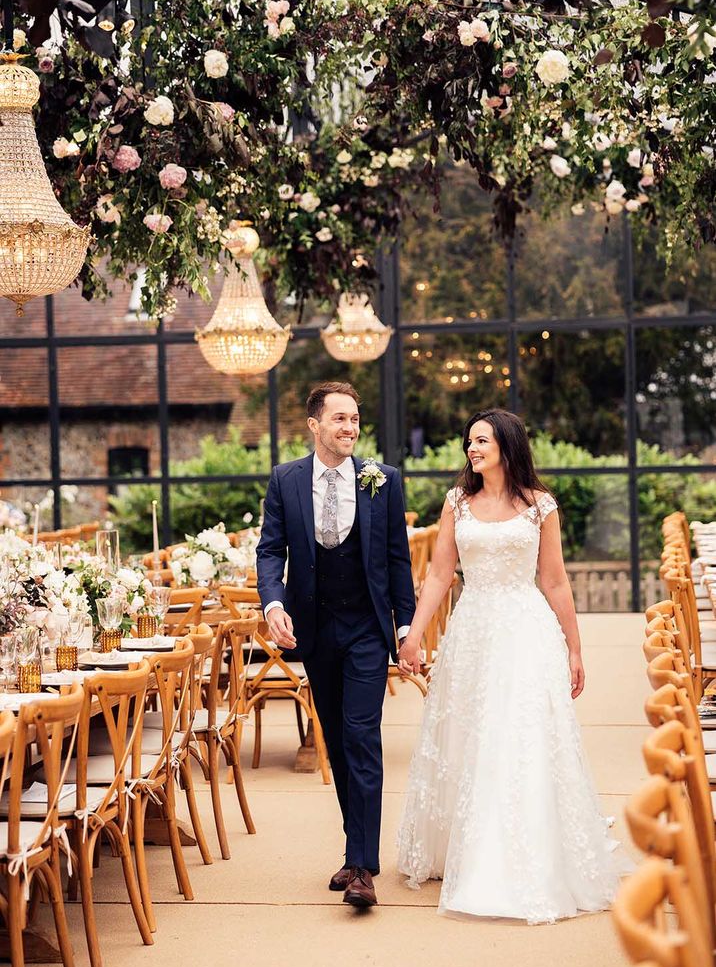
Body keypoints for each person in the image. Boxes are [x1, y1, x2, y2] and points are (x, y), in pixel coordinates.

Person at [396, 408, 621, 923]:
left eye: (482, 441)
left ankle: (516, 852)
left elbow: (556, 581)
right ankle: (461, 845)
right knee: (469, 734)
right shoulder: (457, 502)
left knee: (517, 736)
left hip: (525, 632)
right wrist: (414, 634)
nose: (472, 449)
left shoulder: (540, 506)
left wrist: (575, 647)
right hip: (472, 630)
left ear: (507, 445)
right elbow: (438, 576)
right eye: (469, 441)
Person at [257, 381, 415, 909]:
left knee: (360, 736)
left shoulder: (382, 480)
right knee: (337, 742)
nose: (351, 427)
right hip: (315, 630)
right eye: (340, 419)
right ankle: (355, 854)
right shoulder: (286, 480)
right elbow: (269, 551)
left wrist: (404, 627)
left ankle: (364, 868)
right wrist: (273, 605)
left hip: (367, 628)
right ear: (315, 426)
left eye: (355, 418)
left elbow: (397, 559)